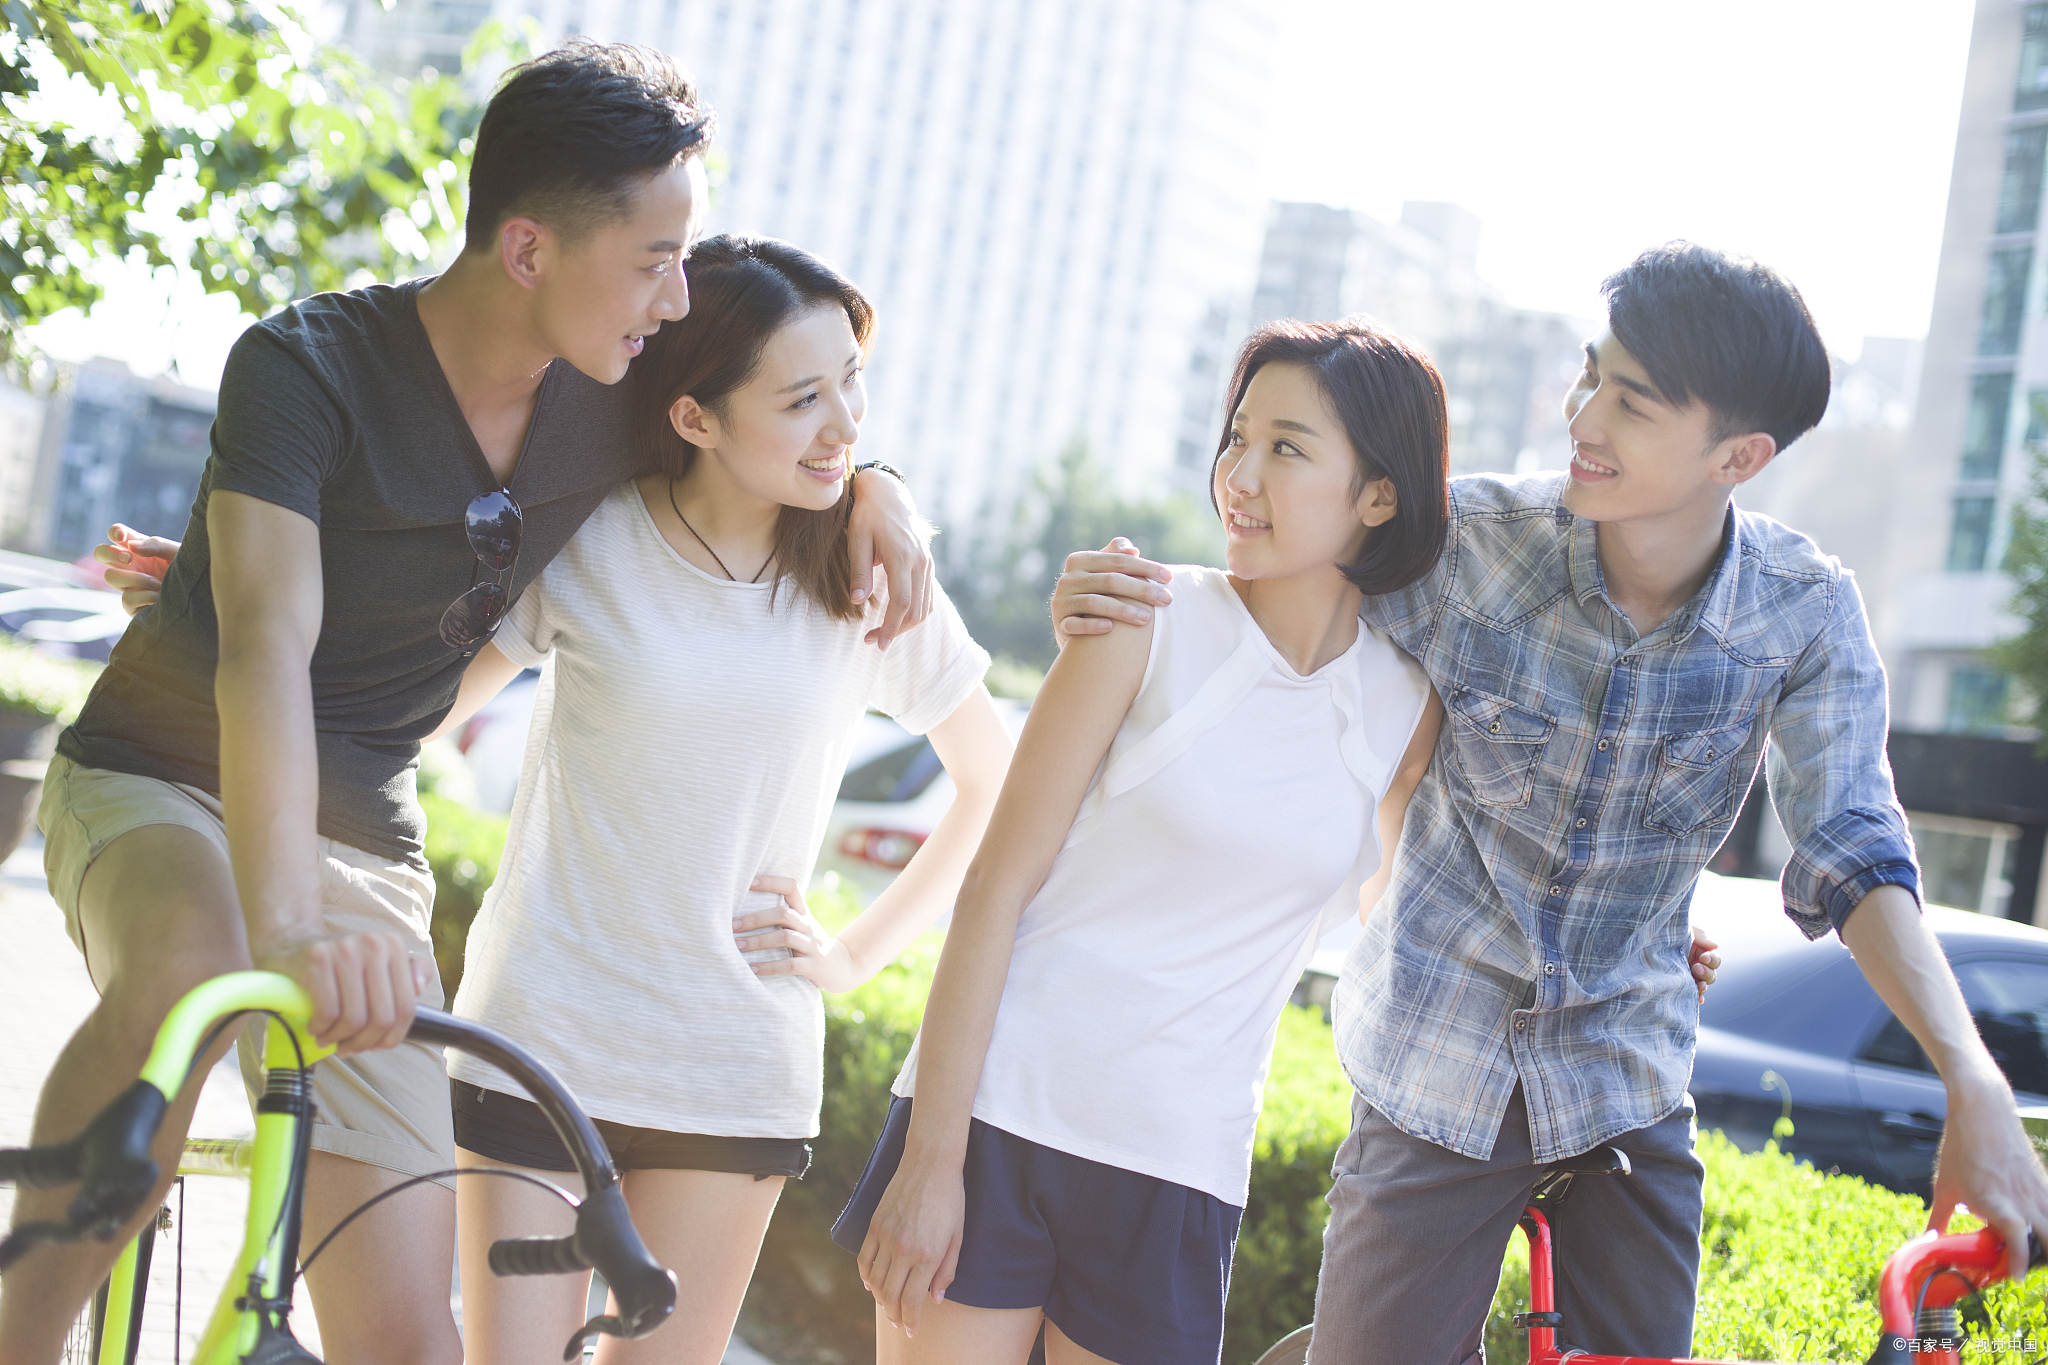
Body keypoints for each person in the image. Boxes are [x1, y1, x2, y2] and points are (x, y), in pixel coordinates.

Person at [0, 45, 936, 1365]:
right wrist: (291, 924)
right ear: (529, 249)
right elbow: (267, 647)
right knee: (192, 963)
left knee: (410, 1345)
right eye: (657, 257)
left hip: (358, 836)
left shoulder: (619, 396)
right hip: (164, 773)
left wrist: (876, 479)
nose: (677, 295)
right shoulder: (307, 364)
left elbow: (778, 395)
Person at [1049, 242, 2048, 1364]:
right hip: (1435, 1064)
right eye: (1587, 374)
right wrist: (1136, 596)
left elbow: (1852, 849)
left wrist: (1971, 1076)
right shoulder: (1468, 543)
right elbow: (1278, 588)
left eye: (1629, 401)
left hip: (1624, 1076)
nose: (1582, 413)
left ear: (1740, 454)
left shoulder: (1802, 615)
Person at [434, 235, 1013, 1365]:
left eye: (852, 383)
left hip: (731, 1067)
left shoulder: (870, 578)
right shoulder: (588, 538)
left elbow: (993, 784)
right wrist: (230, 599)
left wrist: (847, 958)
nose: (845, 426)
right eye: (802, 399)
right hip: (540, 1038)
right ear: (694, 417)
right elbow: (419, 704)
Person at [838, 319, 1450, 1365]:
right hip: (997, 1120)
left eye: (1287, 448)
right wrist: (931, 1165)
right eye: (1236, 437)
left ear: (1379, 494)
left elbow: (1403, 917)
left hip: (1178, 1168)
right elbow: (992, 887)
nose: (1240, 476)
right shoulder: (1141, 616)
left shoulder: (1403, 707)